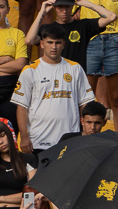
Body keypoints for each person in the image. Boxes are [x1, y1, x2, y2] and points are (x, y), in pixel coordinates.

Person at [14, 26, 93, 161]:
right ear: (42, 44)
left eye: (58, 43)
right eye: (50, 42)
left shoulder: (75, 68)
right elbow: (21, 107)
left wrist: (85, 130)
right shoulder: (30, 70)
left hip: (70, 139)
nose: (54, 46)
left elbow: (84, 104)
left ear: (64, 45)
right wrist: (24, 137)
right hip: (39, 140)